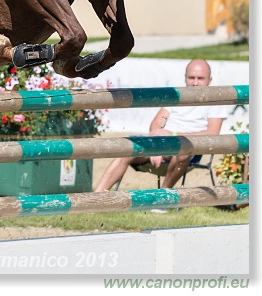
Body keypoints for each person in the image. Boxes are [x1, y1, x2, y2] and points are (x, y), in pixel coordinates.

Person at [94, 59, 227, 195]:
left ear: (210, 80)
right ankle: (96, 197)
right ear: (185, 78)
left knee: (183, 151)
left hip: (187, 148)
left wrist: (174, 136)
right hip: (162, 141)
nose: (195, 82)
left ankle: (162, 197)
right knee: (128, 147)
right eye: (191, 78)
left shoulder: (215, 101)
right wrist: (158, 143)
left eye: (200, 78)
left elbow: (213, 133)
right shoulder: (178, 95)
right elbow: (157, 123)